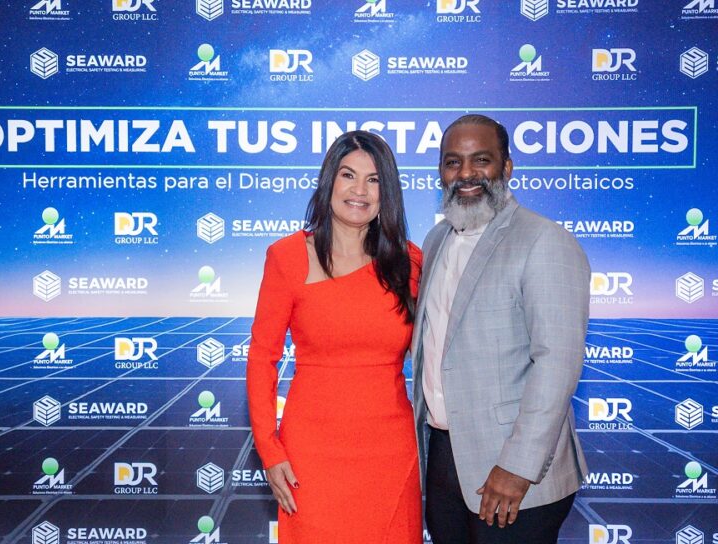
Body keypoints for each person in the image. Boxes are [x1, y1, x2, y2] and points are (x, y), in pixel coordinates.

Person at [411, 114, 590, 544]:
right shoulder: (435, 240)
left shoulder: (544, 240)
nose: (466, 173)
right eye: (453, 162)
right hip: (443, 460)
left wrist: (518, 467)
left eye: (481, 160)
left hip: (514, 473)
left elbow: (557, 364)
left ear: (506, 167)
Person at [247, 130, 423, 542]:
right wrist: (270, 450)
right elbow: (261, 358)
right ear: (329, 181)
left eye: (373, 179)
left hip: (391, 452)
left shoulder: (410, 262)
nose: (359, 190)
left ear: (386, 192)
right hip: (311, 454)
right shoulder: (287, 256)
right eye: (348, 175)